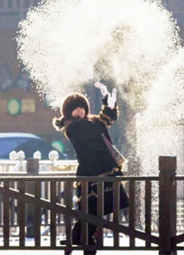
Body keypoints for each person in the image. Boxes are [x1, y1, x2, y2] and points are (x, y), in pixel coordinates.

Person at [53, 82, 129, 255]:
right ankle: (86, 243)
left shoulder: (91, 122)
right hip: (90, 172)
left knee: (91, 210)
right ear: (68, 113)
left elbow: (104, 122)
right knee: (90, 210)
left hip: (103, 170)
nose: (79, 111)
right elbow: (97, 126)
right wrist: (105, 111)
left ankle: (76, 240)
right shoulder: (72, 127)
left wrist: (108, 104)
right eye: (75, 109)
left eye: (82, 108)